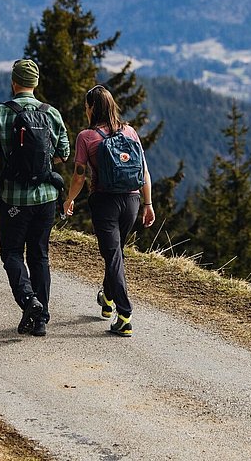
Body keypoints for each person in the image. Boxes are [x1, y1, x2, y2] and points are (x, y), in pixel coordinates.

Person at [0, 58, 70, 337]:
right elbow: (63, 153)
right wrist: (40, 168)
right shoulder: (52, 113)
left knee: (11, 253)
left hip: (14, 198)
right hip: (46, 197)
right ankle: (40, 317)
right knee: (39, 255)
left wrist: (12, 167)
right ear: (36, 83)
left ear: (14, 82)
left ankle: (29, 301)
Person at [63, 84, 154, 337]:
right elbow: (143, 171)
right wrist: (148, 204)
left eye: (86, 106)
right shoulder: (130, 132)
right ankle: (107, 298)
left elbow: (80, 176)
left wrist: (69, 199)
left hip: (105, 202)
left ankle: (124, 315)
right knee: (115, 253)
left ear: (92, 108)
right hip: (132, 201)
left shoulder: (86, 137)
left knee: (112, 255)